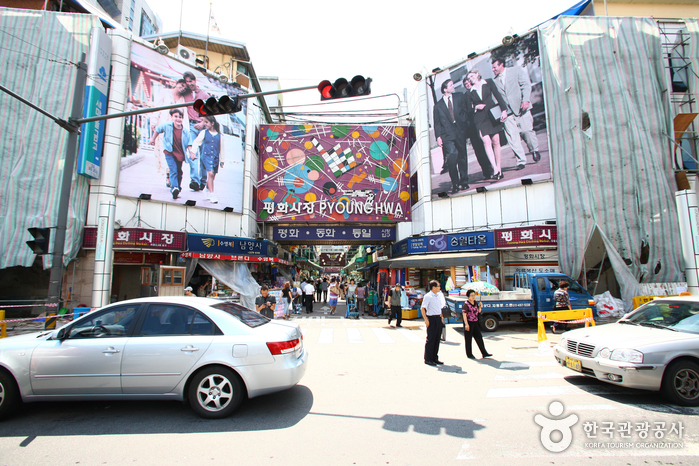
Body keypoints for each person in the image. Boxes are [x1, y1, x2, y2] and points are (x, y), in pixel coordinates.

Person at [491, 57, 541, 169]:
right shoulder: (495, 81)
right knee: (512, 137)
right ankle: (521, 161)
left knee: (526, 131)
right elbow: (495, 98)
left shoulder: (516, 70)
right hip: (507, 113)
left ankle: (534, 150)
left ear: (501, 65)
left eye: (495, 67)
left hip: (521, 108)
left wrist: (526, 100)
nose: (493, 70)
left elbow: (526, 85)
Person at [467, 70, 508, 181]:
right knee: (486, 141)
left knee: (496, 141)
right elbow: (467, 109)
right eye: (469, 77)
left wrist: (504, 110)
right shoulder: (470, 92)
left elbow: (498, 96)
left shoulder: (488, 82)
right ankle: (494, 168)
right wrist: (476, 107)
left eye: (472, 76)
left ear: (477, 74)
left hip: (492, 116)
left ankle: (499, 167)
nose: (470, 78)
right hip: (480, 119)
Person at [433, 79, 470, 194]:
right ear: (445, 89)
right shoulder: (438, 106)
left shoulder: (459, 96)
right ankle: (455, 184)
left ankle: (464, 181)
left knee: (462, 156)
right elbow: (437, 123)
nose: (453, 86)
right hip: (447, 134)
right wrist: (438, 137)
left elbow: (465, 111)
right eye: (451, 85)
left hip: (460, 131)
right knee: (452, 158)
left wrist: (465, 124)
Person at [151, 78, 190, 186]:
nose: (182, 88)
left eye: (184, 88)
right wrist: (153, 120)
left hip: (176, 130)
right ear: (176, 83)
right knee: (166, 152)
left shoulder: (182, 99)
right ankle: (168, 176)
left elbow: (184, 117)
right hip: (164, 127)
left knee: (175, 153)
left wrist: (186, 132)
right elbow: (157, 107)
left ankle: (171, 177)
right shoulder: (164, 93)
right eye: (181, 85)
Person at [150, 109, 195, 200]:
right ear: (171, 117)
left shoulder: (185, 132)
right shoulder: (167, 125)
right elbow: (158, 129)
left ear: (183, 119)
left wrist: (192, 153)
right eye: (176, 116)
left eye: (180, 117)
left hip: (180, 154)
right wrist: (153, 139)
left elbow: (189, 144)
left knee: (179, 172)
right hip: (169, 152)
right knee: (173, 169)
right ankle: (174, 188)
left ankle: (178, 188)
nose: (178, 119)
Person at [182, 71, 210, 191]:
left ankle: (203, 181)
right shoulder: (185, 95)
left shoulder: (204, 95)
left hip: (203, 127)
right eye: (187, 82)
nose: (189, 84)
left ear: (195, 80)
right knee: (193, 153)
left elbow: (211, 112)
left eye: (191, 81)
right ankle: (194, 181)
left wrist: (203, 123)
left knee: (203, 155)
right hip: (192, 127)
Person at [462, 76, 494, 179]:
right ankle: (487, 171)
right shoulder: (465, 96)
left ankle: (494, 167)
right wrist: (474, 108)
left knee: (487, 145)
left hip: (483, 122)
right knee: (479, 150)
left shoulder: (477, 91)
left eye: (469, 83)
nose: (468, 85)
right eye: (465, 84)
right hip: (472, 127)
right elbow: (466, 111)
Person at [190, 115, 224, 204]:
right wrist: (192, 152)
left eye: (206, 122)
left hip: (215, 158)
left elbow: (222, 149)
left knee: (213, 176)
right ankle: (212, 194)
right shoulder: (204, 132)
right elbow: (196, 142)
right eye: (204, 122)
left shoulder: (220, 136)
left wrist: (222, 160)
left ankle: (207, 188)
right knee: (210, 173)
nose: (204, 124)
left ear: (212, 123)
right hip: (206, 156)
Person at [462, 290, 492, 359]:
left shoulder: (475, 302)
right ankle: (469, 354)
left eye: (474, 295)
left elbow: (478, 311)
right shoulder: (466, 304)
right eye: (471, 295)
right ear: (468, 297)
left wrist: (480, 306)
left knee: (479, 337)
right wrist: (466, 324)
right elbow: (464, 315)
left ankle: (484, 353)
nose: (473, 297)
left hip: (475, 322)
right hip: (469, 322)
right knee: (468, 339)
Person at [421, 280, 445, 366]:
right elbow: (423, 308)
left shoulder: (438, 296)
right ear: (433, 287)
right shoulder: (428, 296)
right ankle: (428, 358)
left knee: (437, 339)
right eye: (438, 286)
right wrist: (426, 320)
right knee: (431, 339)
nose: (439, 287)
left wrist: (442, 317)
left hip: (438, 318)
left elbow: (440, 307)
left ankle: (435, 357)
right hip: (431, 318)